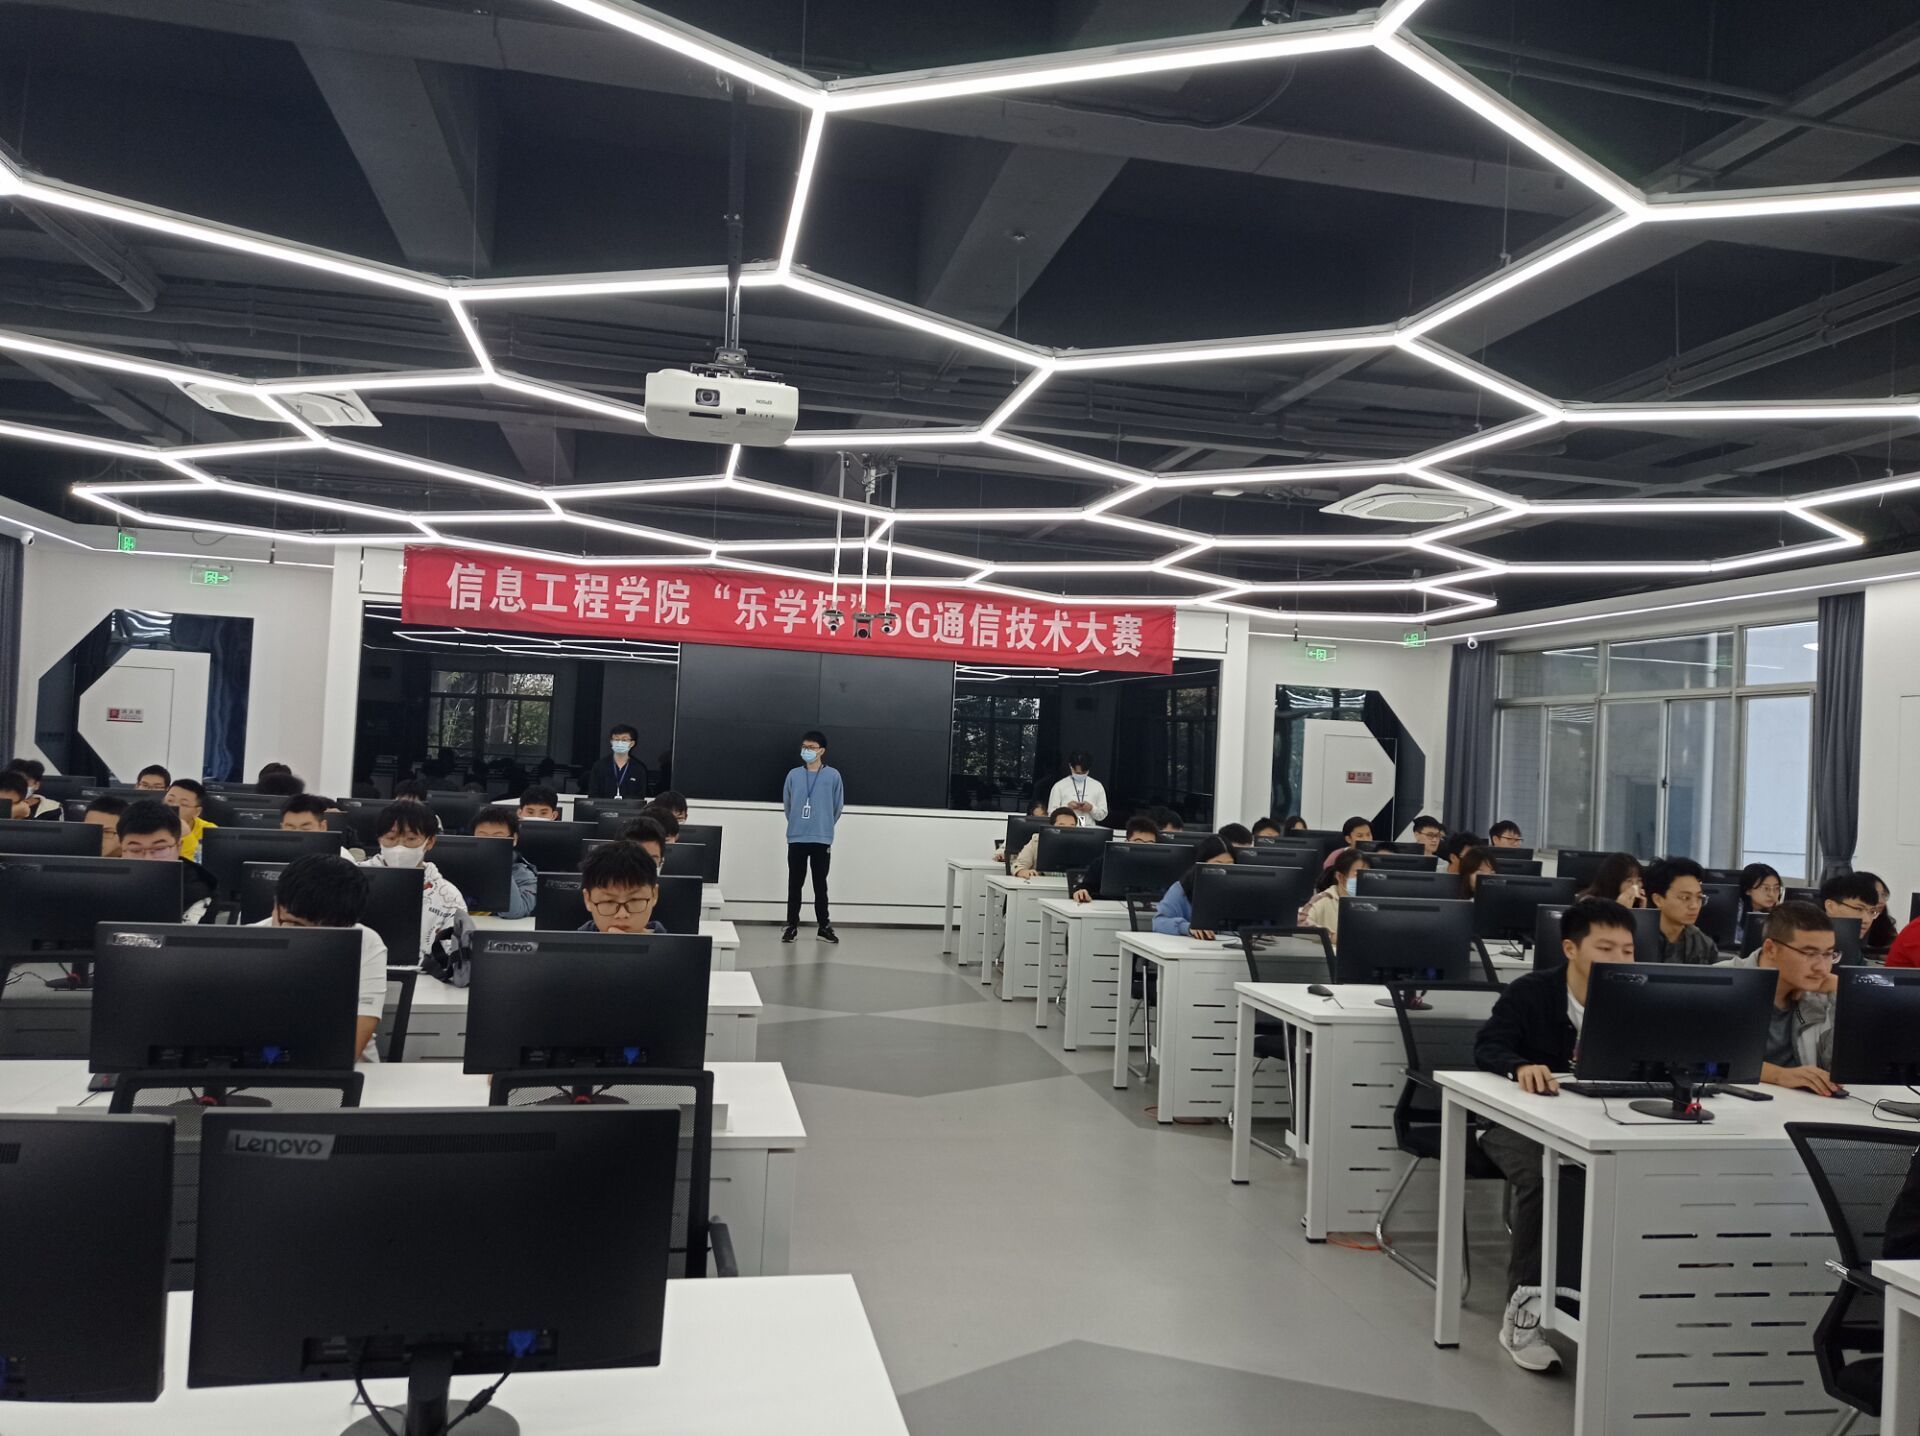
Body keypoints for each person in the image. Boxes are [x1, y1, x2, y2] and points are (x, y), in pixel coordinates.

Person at [1473, 897, 1638, 1371]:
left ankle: (1615, 1305)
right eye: (1605, 948)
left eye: (1628, 950)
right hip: (1513, 1121)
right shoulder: (1532, 992)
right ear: (1570, 948)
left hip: (1595, 1120)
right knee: (1551, 1179)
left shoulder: (1637, 998)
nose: (1619, 960)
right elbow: (1488, 1046)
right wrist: (1519, 1066)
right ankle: (1524, 1317)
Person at [258, 854, 390, 1062]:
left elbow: (353, 1042)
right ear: (276, 905)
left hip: (348, 1069)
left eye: (324, 931)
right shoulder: (247, 942)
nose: (307, 939)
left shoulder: (365, 942)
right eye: (295, 924)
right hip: (259, 1069)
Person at [1713, 900, 1838, 1094]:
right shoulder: (1722, 983)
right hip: (1729, 1102)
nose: (1821, 967)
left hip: (1802, 1104)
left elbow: (1840, 1067)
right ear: (1771, 949)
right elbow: (1701, 1059)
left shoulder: (1820, 994)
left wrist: (1843, 995)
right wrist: (1779, 1075)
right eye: (1809, 953)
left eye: (1829, 954)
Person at [360, 800, 469, 967]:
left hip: (424, 977)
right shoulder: (353, 880)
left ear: (429, 842)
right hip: (359, 971)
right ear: (379, 839)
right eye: (391, 838)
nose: (399, 848)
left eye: (410, 839)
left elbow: (455, 956)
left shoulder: (448, 895)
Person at [781, 730, 843, 945]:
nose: (806, 751)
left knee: (820, 885)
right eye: (804, 747)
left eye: (811, 748)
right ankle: (791, 926)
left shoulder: (833, 776)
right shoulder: (793, 775)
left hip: (821, 838)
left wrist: (823, 826)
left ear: (822, 751)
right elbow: (788, 805)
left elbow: (837, 806)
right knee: (794, 883)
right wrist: (798, 824)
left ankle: (824, 927)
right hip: (797, 836)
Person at [116, 799, 216, 921]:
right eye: (135, 850)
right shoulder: (105, 887)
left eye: (159, 849)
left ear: (179, 847)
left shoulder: (199, 893)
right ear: (122, 849)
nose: (148, 859)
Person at [1152, 835, 1236, 939]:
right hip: (1191, 947)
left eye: (1230, 865)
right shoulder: (1182, 889)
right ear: (1202, 864)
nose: (1225, 870)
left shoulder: (1239, 891)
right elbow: (1158, 922)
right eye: (1217, 864)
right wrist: (1187, 927)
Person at [577, 841, 666, 934]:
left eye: (634, 900)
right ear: (588, 899)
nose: (622, 914)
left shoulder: (674, 943)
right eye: (609, 901)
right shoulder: (570, 943)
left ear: (654, 895)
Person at [469, 805, 538, 920]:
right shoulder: (460, 865)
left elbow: (514, 912)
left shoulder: (524, 875)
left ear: (514, 839)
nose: (489, 844)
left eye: (498, 838)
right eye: (482, 837)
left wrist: (500, 865)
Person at [1645, 857, 1718, 963]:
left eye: (1699, 897)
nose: (1694, 906)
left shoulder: (1704, 945)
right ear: (1658, 900)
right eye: (1685, 897)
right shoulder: (1636, 939)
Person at [1071, 816, 1159, 902]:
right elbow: (1086, 886)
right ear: (1126, 842)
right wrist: (1081, 891)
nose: (1143, 847)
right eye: (1138, 842)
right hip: (1108, 907)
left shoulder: (1159, 866)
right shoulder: (1104, 862)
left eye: (1150, 843)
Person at [1301, 848, 1370, 944]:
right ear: (1340, 877)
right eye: (1357, 874)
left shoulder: (1375, 901)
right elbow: (1299, 922)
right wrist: (1330, 936)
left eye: (1367, 875)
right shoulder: (1325, 898)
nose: (1363, 879)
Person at [1012, 808, 1080, 878]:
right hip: (1042, 882)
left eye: (1072, 826)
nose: (1067, 829)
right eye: (1062, 825)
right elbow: (1018, 865)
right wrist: (1022, 871)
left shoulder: (1081, 844)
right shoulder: (1037, 841)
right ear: (1051, 826)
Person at [586, 722, 647, 801]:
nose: (620, 743)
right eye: (616, 739)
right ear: (611, 741)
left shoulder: (638, 769)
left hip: (629, 808)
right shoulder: (599, 766)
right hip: (603, 807)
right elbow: (593, 794)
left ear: (632, 743)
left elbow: (640, 796)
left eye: (624, 740)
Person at [1046, 752, 1108, 827]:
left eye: (1084, 772)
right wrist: (1067, 808)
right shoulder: (1059, 786)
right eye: (1077, 773)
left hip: (1088, 829)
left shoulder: (1097, 786)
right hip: (1066, 829)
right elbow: (1051, 814)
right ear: (1070, 766)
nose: (1080, 775)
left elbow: (1102, 815)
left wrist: (1091, 808)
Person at [163, 779, 217, 862]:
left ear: (197, 812)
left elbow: (200, 864)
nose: (173, 807)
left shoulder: (209, 831)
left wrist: (187, 836)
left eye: (184, 804)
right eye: (169, 800)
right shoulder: (150, 824)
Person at [1579, 853, 1644, 908]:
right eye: (1629, 881)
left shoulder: (1635, 903)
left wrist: (1642, 911)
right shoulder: (1589, 902)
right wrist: (1620, 908)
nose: (1635, 886)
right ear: (1614, 882)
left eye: (1638, 880)